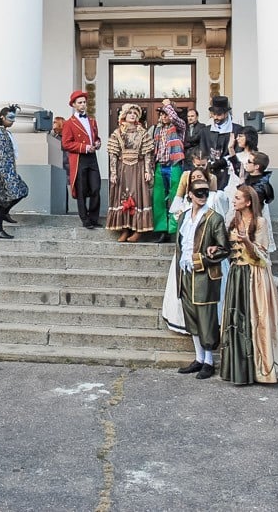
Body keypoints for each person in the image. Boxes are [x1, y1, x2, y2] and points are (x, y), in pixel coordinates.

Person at [219, 185, 278, 385]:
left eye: (237, 198)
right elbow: (229, 249)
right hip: (237, 274)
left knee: (257, 320)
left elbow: (262, 256)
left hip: (254, 276)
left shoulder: (260, 222)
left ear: (248, 202)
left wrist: (247, 242)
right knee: (237, 320)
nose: (234, 201)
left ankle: (261, 370)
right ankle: (239, 370)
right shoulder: (234, 221)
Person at [173, 178, 229, 379]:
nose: (202, 195)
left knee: (206, 318)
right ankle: (198, 358)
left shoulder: (214, 218)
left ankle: (209, 361)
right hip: (185, 273)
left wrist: (203, 259)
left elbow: (224, 249)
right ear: (189, 194)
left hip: (204, 275)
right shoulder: (185, 217)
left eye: (205, 192)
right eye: (198, 192)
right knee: (192, 317)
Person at [106, 103, 154, 243]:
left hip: (138, 168)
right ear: (124, 116)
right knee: (123, 196)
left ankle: (138, 230)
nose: (132, 115)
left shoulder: (143, 133)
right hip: (123, 168)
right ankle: (125, 229)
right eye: (129, 113)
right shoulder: (118, 133)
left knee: (138, 196)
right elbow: (113, 154)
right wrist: (113, 172)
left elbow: (147, 154)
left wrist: (147, 170)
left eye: (134, 113)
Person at [0, 106, 29, 239]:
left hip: (6, 171)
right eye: (10, 118)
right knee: (2, 199)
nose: (13, 121)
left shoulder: (4, 132)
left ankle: (4, 215)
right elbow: (1, 157)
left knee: (16, 193)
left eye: (14, 118)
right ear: (2, 117)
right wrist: (6, 176)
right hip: (3, 172)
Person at [62, 91, 102, 229]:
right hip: (79, 158)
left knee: (96, 188)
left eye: (84, 102)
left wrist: (97, 143)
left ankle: (94, 218)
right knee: (82, 190)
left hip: (92, 158)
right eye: (80, 102)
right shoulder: (68, 123)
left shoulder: (92, 120)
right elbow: (66, 144)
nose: (83, 105)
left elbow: (96, 137)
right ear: (73, 105)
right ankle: (85, 219)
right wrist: (84, 147)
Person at [151, 99, 186, 243]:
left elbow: (175, 119)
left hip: (174, 164)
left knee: (175, 197)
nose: (164, 116)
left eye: (166, 113)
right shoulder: (157, 129)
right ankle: (162, 230)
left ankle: (174, 228)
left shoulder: (179, 126)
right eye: (162, 114)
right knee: (159, 198)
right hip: (160, 165)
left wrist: (168, 106)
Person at [201, 95, 242, 190]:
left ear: (226, 113)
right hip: (211, 172)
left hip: (229, 173)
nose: (215, 117)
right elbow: (203, 150)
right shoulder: (205, 131)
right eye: (213, 114)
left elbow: (239, 152)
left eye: (219, 114)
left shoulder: (237, 130)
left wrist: (224, 160)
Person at [242, 151, 277, 254]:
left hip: (254, 221)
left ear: (256, 166)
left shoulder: (261, 184)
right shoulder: (249, 178)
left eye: (249, 162)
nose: (246, 164)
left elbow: (254, 203)